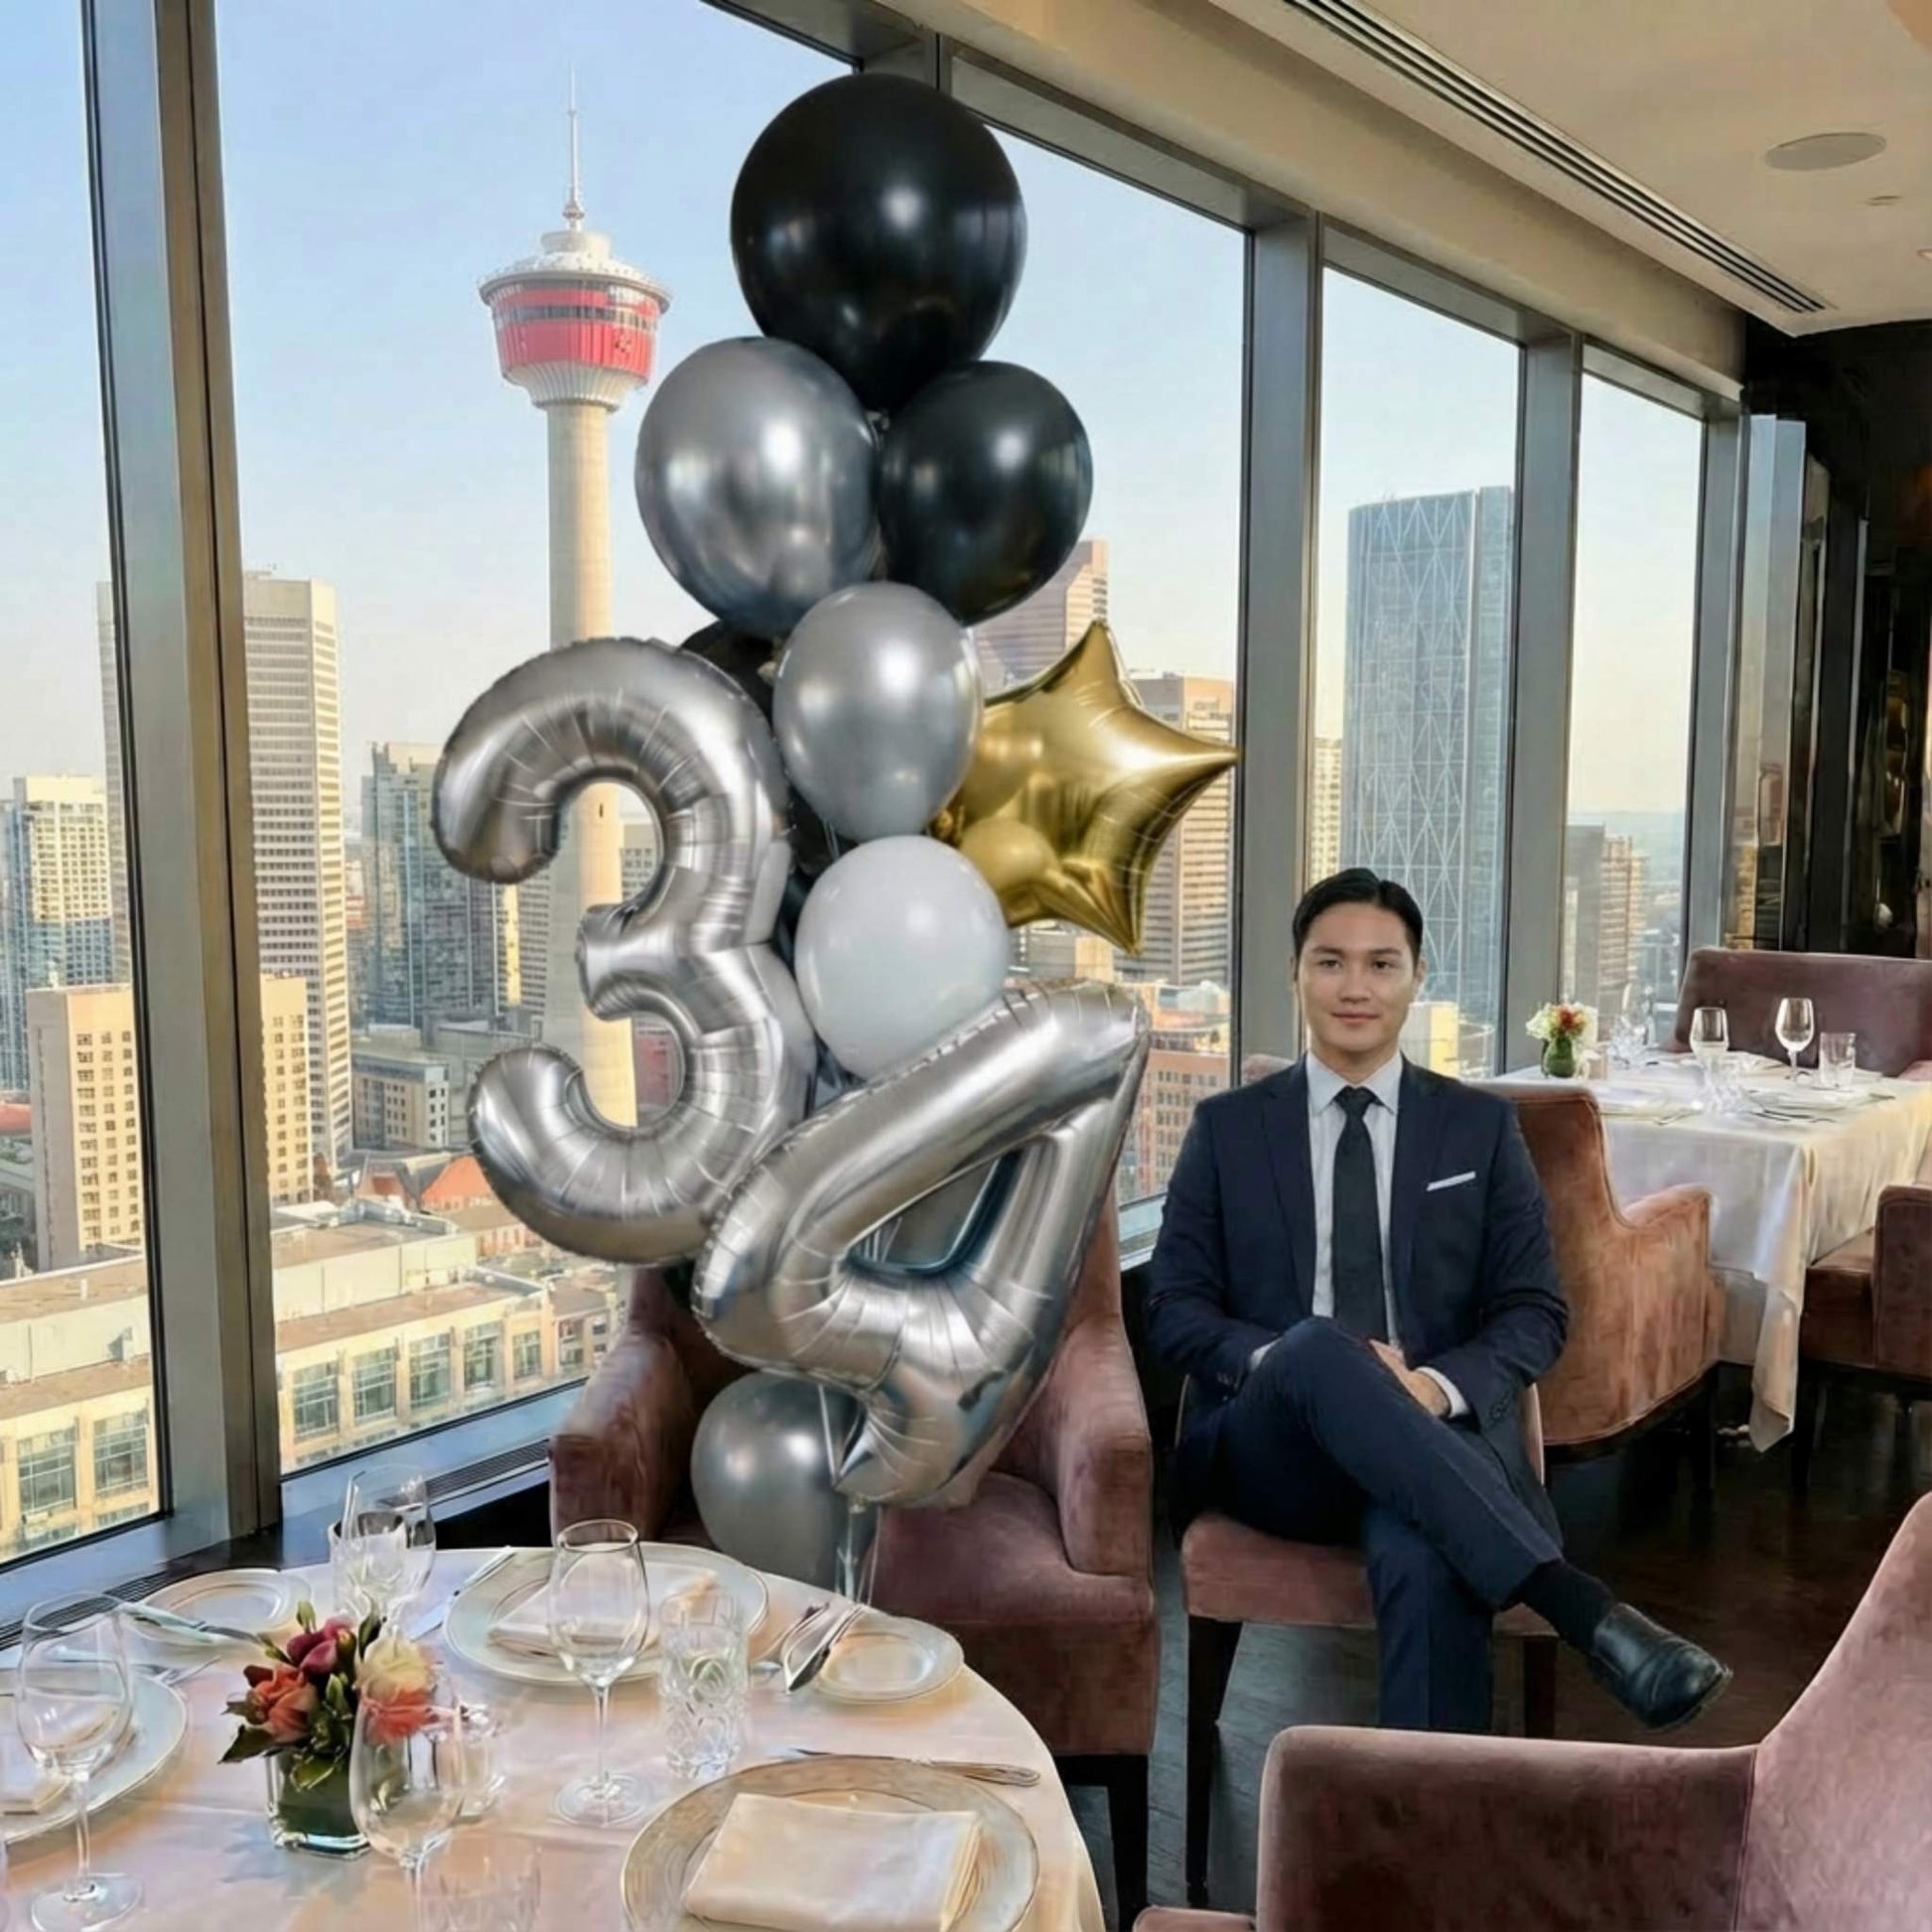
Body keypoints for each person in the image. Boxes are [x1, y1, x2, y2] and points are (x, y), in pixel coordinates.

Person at [1148, 868, 1728, 1733]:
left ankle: (1431, 1844)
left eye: (1381, 964)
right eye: (1330, 962)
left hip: (1433, 1437)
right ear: (1295, 974)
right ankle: (1582, 1611)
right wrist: (1294, 1365)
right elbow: (1172, 1307)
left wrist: (1427, 1390)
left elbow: (1535, 1311)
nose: (1355, 987)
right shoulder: (1228, 1129)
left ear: (1417, 978)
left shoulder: (1477, 1127)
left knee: (1426, 1553)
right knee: (1313, 1346)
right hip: (1272, 1450)